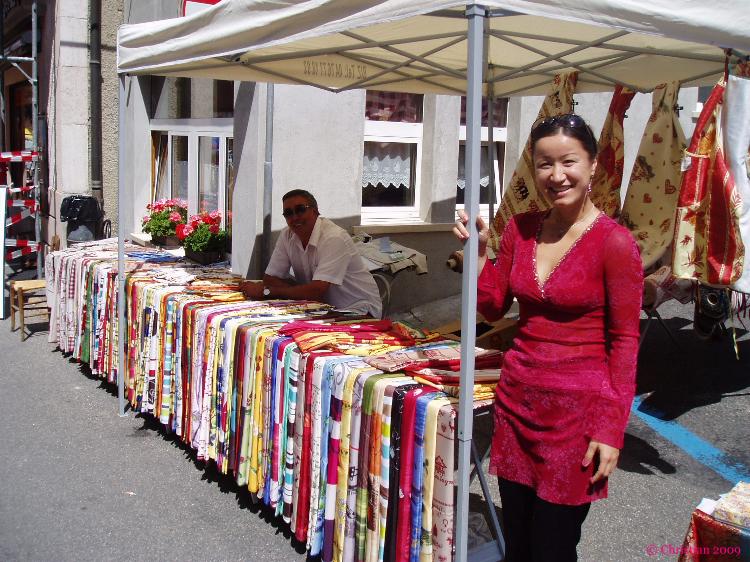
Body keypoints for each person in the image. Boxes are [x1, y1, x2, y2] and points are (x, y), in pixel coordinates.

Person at [453, 114, 643, 561]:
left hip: (576, 418)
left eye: (568, 162)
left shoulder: (614, 243)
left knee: (553, 547)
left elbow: (625, 340)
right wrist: (478, 254)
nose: (556, 176)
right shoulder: (520, 229)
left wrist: (611, 429)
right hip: (517, 404)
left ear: (593, 165)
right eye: (544, 164)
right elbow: (492, 306)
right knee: (517, 541)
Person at [241, 189, 382, 318]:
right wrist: (302, 292)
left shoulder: (334, 238)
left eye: (300, 209)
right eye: (288, 213)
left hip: (359, 309)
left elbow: (316, 290)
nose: (295, 217)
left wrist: (268, 291)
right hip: (321, 308)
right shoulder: (287, 235)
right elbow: (270, 278)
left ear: (315, 211)